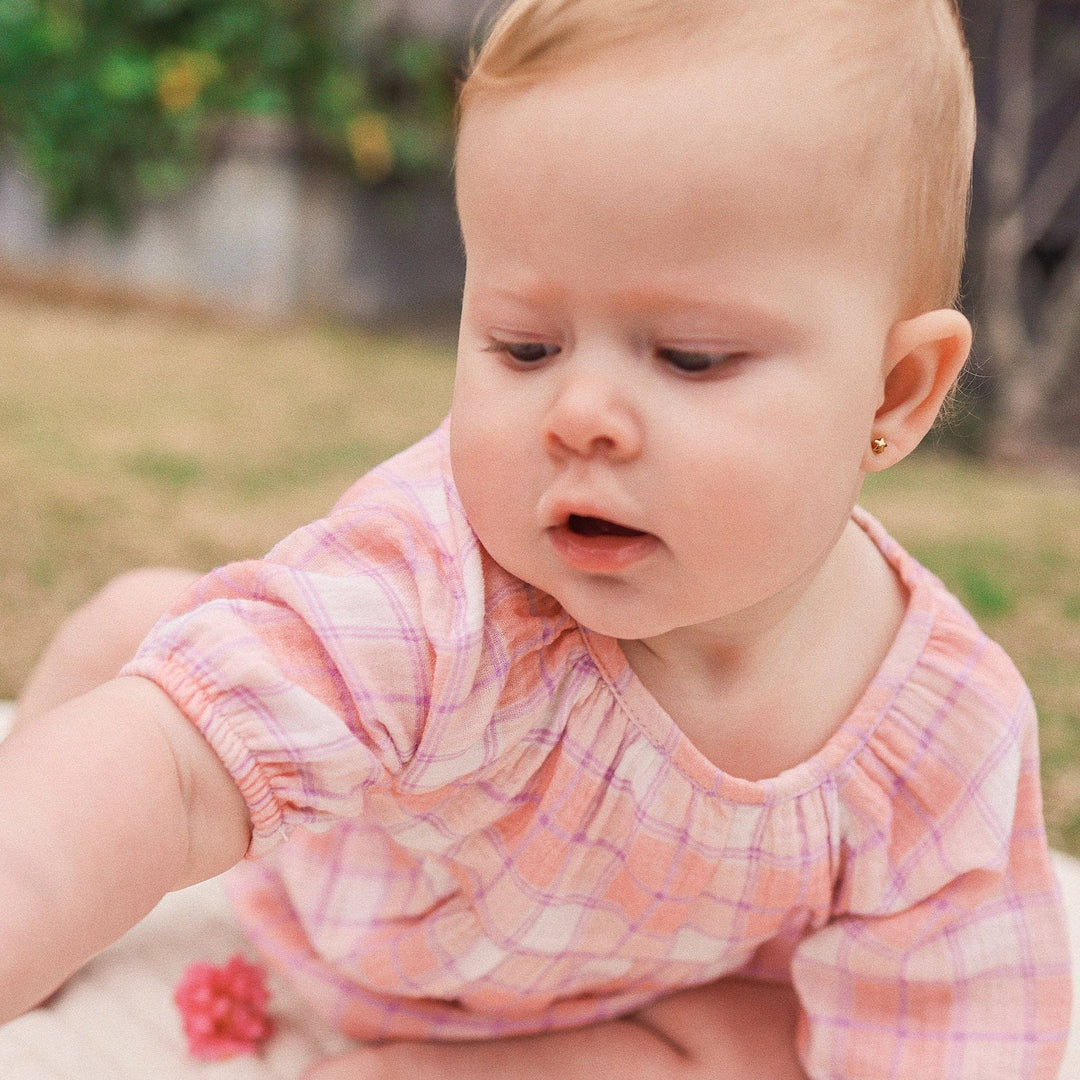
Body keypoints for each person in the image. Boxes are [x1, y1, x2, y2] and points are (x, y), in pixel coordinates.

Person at [0, 0, 1071, 1076]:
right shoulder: (440, 582)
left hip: (620, 1013)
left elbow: (954, 1030)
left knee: (778, 1043)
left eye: (690, 357)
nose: (580, 412)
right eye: (524, 345)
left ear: (894, 392)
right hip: (326, 886)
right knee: (144, 640)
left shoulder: (941, 739)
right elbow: (180, 774)